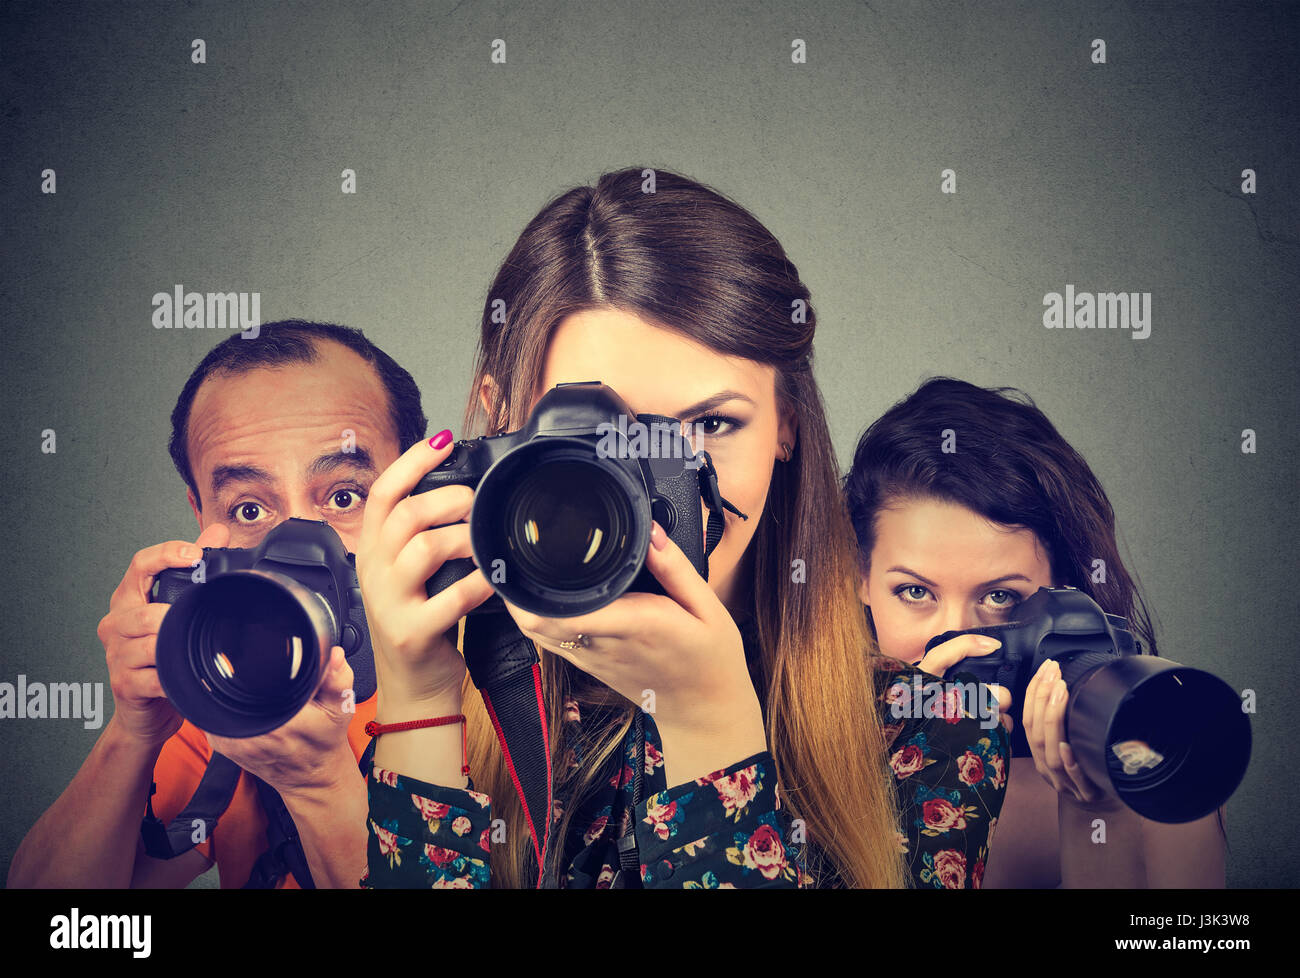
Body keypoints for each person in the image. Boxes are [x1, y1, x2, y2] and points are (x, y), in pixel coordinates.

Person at [356, 167, 1011, 889]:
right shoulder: (465, 700)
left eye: (711, 424)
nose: (652, 480)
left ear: (786, 425)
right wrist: (419, 702)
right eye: (602, 436)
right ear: (504, 421)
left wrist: (710, 725)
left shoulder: (933, 730)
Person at [8, 320, 426, 888]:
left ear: (414, 485)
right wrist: (134, 731)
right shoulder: (225, 683)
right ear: (201, 518)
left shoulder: (505, 683)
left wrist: (318, 784)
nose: (298, 544)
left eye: (344, 496)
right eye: (249, 510)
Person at [842, 376, 1227, 887]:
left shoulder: (1157, 749)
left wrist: (1099, 814)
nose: (956, 639)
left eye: (1000, 597)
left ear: (1063, 591)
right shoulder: (805, 748)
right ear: (860, 577)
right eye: (915, 592)